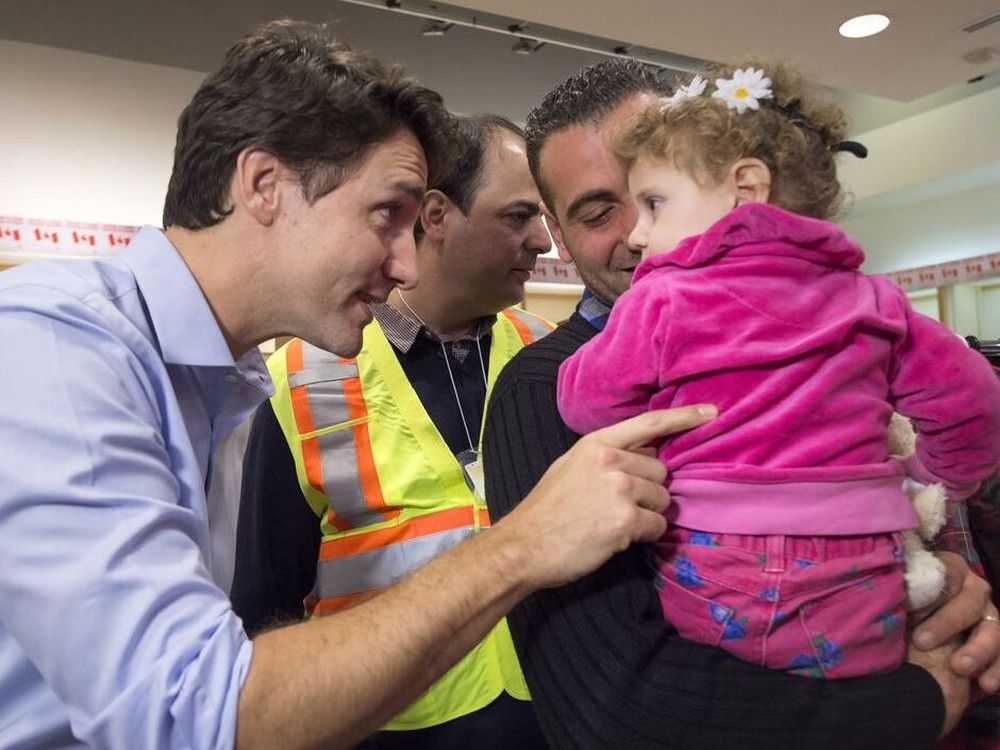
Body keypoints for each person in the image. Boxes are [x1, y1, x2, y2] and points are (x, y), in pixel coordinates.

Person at [0, 23, 702, 750]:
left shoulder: (209, 384)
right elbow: (197, 714)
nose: (407, 264)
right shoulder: (56, 348)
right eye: (387, 216)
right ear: (265, 186)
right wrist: (522, 544)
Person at [482, 58, 1000, 748]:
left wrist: (951, 600)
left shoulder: (862, 323)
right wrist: (920, 700)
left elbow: (953, 486)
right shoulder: (536, 389)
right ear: (558, 227)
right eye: (602, 208)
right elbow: (618, 712)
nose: (640, 232)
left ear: (739, 178)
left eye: (655, 194)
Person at [231, 113, 553, 747]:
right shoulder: (299, 384)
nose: (544, 240)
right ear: (434, 217)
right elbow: (263, 617)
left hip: (550, 719)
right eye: (518, 217)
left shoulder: (549, 362)